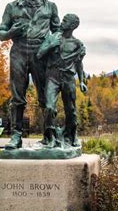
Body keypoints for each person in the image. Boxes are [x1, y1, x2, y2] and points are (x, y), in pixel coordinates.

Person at [0, 0, 60, 149]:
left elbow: (58, 32)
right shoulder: (12, 7)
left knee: (45, 97)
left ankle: (49, 135)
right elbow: (1, 33)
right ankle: (16, 136)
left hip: (41, 53)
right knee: (17, 95)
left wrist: (48, 44)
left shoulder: (50, 6)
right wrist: (11, 32)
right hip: (19, 51)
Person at [36, 14, 87, 147]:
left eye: (64, 21)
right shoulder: (53, 37)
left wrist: (82, 81)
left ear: (72, 26)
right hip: (52, 76)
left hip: (68, 78)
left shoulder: (77, 44)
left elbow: (79, 64)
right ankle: (50, 137)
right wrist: (50, 45)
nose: (61, 22)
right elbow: (39, 54)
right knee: (49, 107)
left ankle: (72, 135)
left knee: (71, 109)